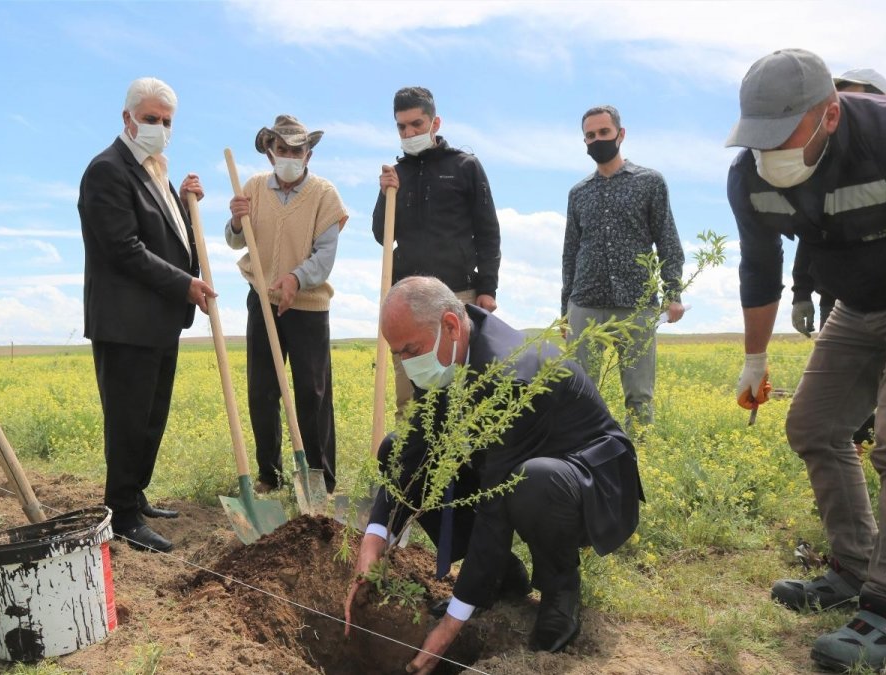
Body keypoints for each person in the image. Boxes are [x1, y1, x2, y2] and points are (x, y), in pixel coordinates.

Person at [727, 48, 886, 671]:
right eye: (757, 137)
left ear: (830, 115)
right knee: (812, 426)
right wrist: (755, 359)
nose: (767, 151)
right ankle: (851, 568)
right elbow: (759, 267)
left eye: (783, 133)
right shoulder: (748, 176)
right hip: (856, 304)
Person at [343, 276, 643, 673]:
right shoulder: (445, 353)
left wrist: (451, 625)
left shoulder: (510, 374)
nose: (406, 364)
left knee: (532, 481)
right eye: (398, 354)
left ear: (450, 325)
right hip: (516, 464)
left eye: (410, 350)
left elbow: (494, 502)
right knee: (395, 446)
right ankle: (501, 577)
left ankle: (560, 590)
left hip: (588, 481)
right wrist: (373, 537)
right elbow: (412, 451)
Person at [78, 77, 215, 554]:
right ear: (127, 118)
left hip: (157, 320)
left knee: (151, 417)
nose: (158, 128)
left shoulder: (157, 172)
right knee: (129, 419)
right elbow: (124, 249)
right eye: (151, 119)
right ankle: (121, 514)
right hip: (124, 322)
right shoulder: (107, 171)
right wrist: (186, 285)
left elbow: (171, 239)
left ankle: (136, 495)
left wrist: (186, 205)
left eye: (166, 121)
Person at [226, 115, 348, 493]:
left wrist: (296, 278)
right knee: (262, 390)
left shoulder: (325, 195)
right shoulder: (253, 189)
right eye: (282, 150)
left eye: (297, 150)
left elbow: (325, 255)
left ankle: (320, 481)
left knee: (312, 392)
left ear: (308, 154)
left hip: (308, 306)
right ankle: (269, 476)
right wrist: (234, 221)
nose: (290, 156)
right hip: (262, 301)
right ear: (270, 153)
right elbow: (235, 242)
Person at [372, 87, 502, 416]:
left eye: (416, 124)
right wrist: (385, 194)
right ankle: (411, 466)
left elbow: (487, 230)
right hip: (408, 300)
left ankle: (465, 465)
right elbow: (381, 236)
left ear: (435, 122)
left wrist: (487, 289)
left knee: (464, 393)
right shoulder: (396, 174)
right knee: (410, 401)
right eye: (401, 127)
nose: (409, 133)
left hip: (459, 295)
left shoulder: (465, 166)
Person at [561, 105, 685, 427]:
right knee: (580, 392)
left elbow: (667, 240)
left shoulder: (650, 182)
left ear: (621, 134)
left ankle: (637, 459)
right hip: (585, 303)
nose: (597, 139)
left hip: (637, 303)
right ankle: (586, 455)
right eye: (590, 135)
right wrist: (565, 310)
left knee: (639, 394)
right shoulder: (579, 193)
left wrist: (673, 292)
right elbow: (570, 252)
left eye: (604, 132)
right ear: (584, 141)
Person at [789, 69, 886, 454]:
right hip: (840, 301)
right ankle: (854, 452)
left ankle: (883, 451)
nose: (843, 110)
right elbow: (807, 238)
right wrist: (801, 293)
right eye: (838, 100)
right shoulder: (820, 166)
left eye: (855, 99)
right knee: (844, 390)